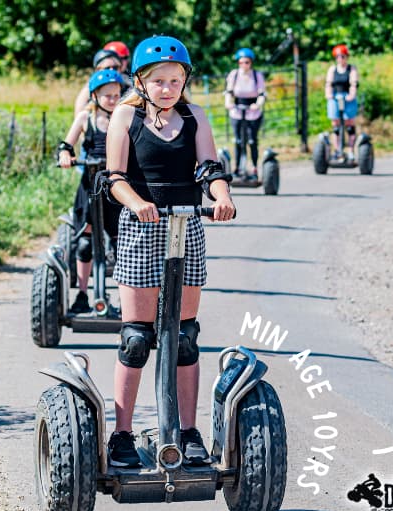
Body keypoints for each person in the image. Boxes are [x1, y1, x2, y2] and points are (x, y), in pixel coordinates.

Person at [103, 35, 235, 467]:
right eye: (159, 80)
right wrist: (136, 202)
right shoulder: (125, 116)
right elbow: (114, 177)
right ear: (140, 81)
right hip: (143, 227)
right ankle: (121, 436)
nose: (168, 87)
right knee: (137, 337)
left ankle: (188, 431)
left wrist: (220, 195)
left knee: (184, 338)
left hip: (187, 224)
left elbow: (209, 168)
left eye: (175, 79)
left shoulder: (195, 116)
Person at [57, 69, 124, 313]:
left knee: (120, 245)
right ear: (95, 95)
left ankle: (125, 300)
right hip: (90, 184)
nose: (113, 100)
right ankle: (83, 295)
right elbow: (66, 144)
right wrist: (66, 155)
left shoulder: (125, 116)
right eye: (108, 95)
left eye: (117, 95)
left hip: (117, 186)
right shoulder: (86, 117)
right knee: (85, 243)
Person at [224, 47, 266, 180]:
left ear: (251, 62)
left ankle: (254, 168)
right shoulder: (234, 75)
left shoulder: (257, 75)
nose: (244, 65)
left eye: (246, 62)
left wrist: (257, 104)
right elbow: (229, 92)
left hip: (253, 112)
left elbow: (261, 94)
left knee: (252, 141)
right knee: (238, 140)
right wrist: (229, 103)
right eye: (241, 62)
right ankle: (237, 168)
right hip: (237, 111)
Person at [325, 44, 359, 161]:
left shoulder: (351, 69)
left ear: (346, 57)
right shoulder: (332, 69)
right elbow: (328, 84)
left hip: (347, 97)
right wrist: (328, 94)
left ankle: (350, 150)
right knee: (336, 124)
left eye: (343, 56)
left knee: (349, 123)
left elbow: (354, 83)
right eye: (338, 56)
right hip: (335, 98)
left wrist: (351, 94)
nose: (340, 59)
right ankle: (338, 151)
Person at [74, 49, 122, 117]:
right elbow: (78, 116)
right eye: (107, 68)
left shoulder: (127, 84)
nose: (111, 70)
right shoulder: (87, 91)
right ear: (97, 70)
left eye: (115, 67)